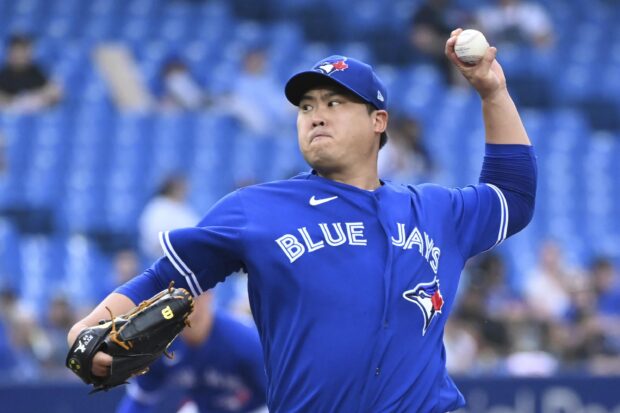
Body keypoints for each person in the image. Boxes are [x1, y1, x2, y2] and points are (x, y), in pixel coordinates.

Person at [68, 29, 537, 412]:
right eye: (307, 106)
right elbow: (164, 279)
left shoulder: (435, 210)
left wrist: (493, 92)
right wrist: (86, 328)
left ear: (378, 121)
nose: (315, 116)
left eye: (335, 103)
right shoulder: (257, 209)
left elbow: (512, 195)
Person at [116, 294, 267, 413]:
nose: (187, 301)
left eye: (194, 294)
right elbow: (141, 401)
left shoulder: (243, 340)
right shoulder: (161, 344)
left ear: (209, 295)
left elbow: (282, 396)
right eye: (178, 294)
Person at [139, 175, 200, 262]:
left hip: (185, 259)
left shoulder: (185, 207)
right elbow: (155, 241)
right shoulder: (158, 207)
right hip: (161, 261)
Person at [0, 34, 62, 112]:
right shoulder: (3, 75)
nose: (20, 55)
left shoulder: (37, 72)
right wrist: (15, 102)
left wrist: (34, 98)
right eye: (16, 51)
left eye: (23, 50)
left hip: (36, 116)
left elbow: (55, 91)